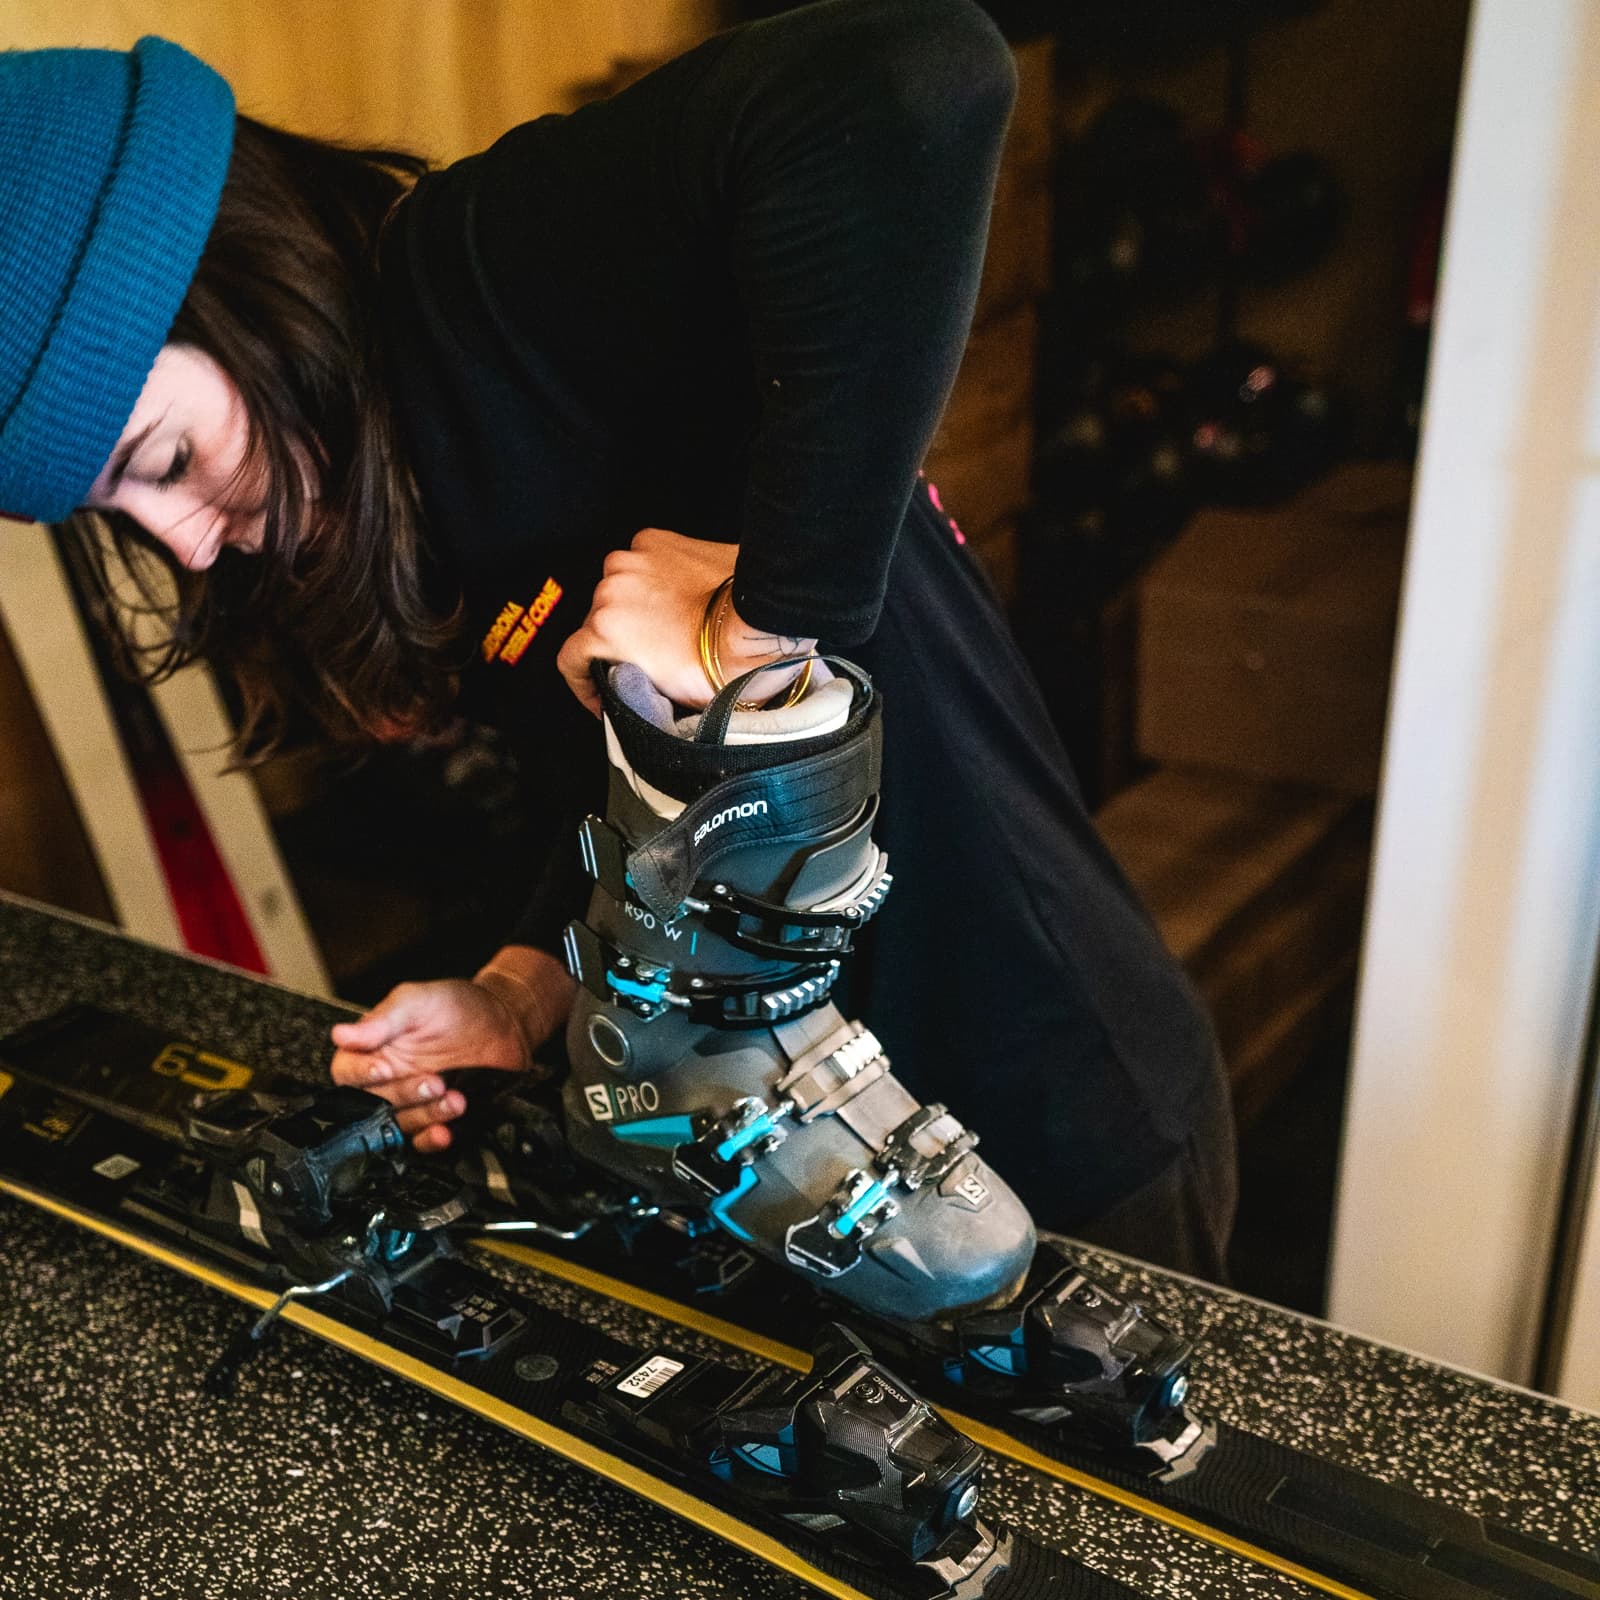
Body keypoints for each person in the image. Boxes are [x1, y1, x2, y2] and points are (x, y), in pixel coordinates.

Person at [0, 0, 1236, 1278]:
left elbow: (920, 72)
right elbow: (616, 790)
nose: (187, 545)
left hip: (1047, 1126)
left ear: (243, 286)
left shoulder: (487, 271)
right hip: (799, 1174)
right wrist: (522, 990)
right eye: (119, 508)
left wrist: (764, 624)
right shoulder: (390, 485)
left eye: (164, 461)